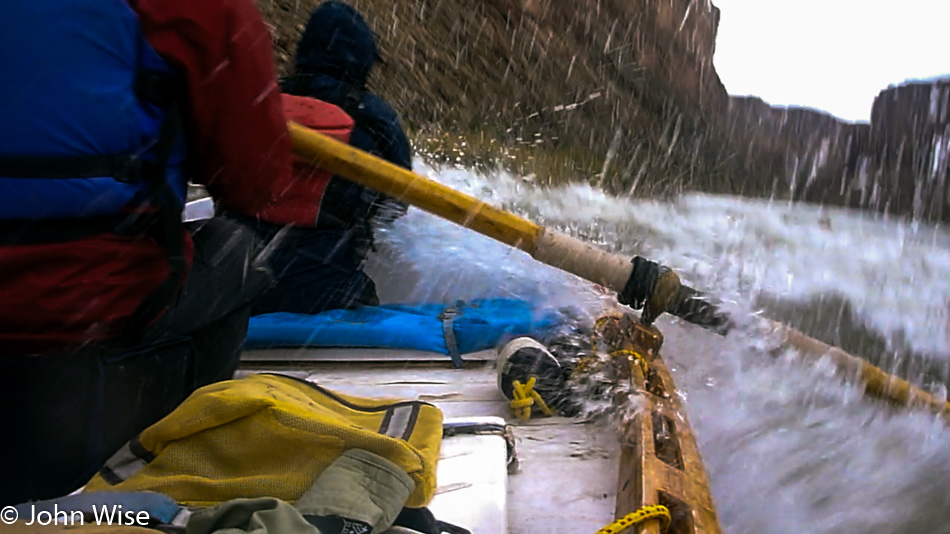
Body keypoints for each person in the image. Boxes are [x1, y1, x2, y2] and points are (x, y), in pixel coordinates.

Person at [0, 0, 295, 505]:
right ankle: (172, 467)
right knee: (237, 251)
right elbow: (255, 184)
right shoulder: (199, 9)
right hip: (85, 308)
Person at [248, 0, 411, 316]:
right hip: (330, 295)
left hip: (239, 288)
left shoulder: (258, 101)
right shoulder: (377, 120)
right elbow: (395, 206)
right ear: (363, 60)